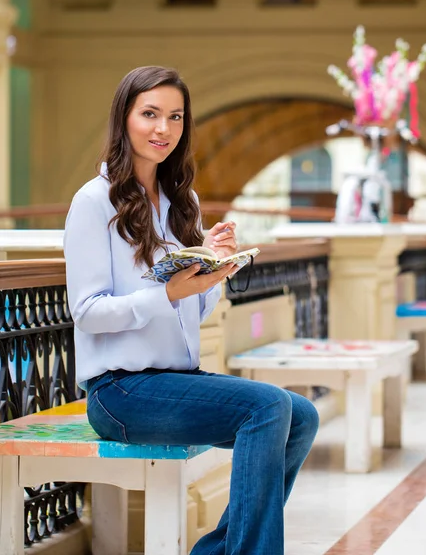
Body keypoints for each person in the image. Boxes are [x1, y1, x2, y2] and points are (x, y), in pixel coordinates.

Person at [64, 66, 319, 555]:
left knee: (301, 416)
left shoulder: (183, 202)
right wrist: (166, 294)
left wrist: (214, 270)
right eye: (150, 114)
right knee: (267, 408)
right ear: (125, 118)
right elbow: (89, 313)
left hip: (176, 378)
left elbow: (191, 312)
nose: (163, 129)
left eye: (175, 117)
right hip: (120, 391)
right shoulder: (92, 202)